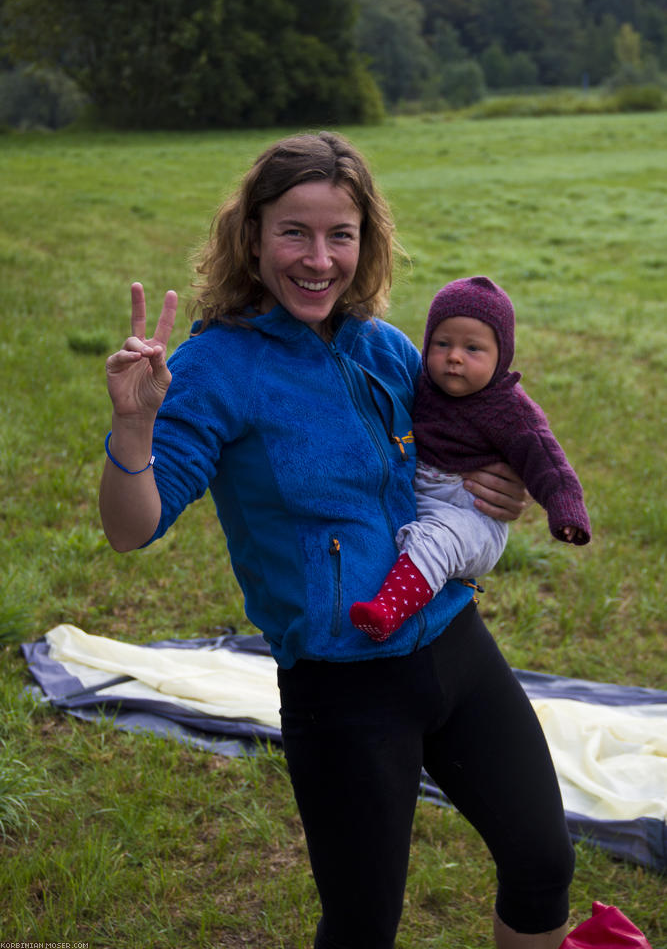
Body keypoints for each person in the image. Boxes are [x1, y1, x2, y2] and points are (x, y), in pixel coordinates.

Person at [99, 131, 575, 949]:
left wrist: (504, 488)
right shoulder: (215, 369)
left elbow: (459, 456)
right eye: (294, 232)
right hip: (342, 688)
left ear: (367, 241)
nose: (318, 259)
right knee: (361, 927)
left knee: (542, 859)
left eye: (340, 235)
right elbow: (129, 528)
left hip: (452, 643)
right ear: (251, 236)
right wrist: (134, 426)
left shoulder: (387, 349)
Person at [350, 274, 591, 642]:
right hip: (427, 493)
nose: (454, 358)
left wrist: (566, 508)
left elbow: (547, 462)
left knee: (435, 542)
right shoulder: (422, 385)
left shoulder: (510, 409)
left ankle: (387, 610)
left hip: (472, 513)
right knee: (408, 535)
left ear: (502, 356)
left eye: (473, 349)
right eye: (442, 344)